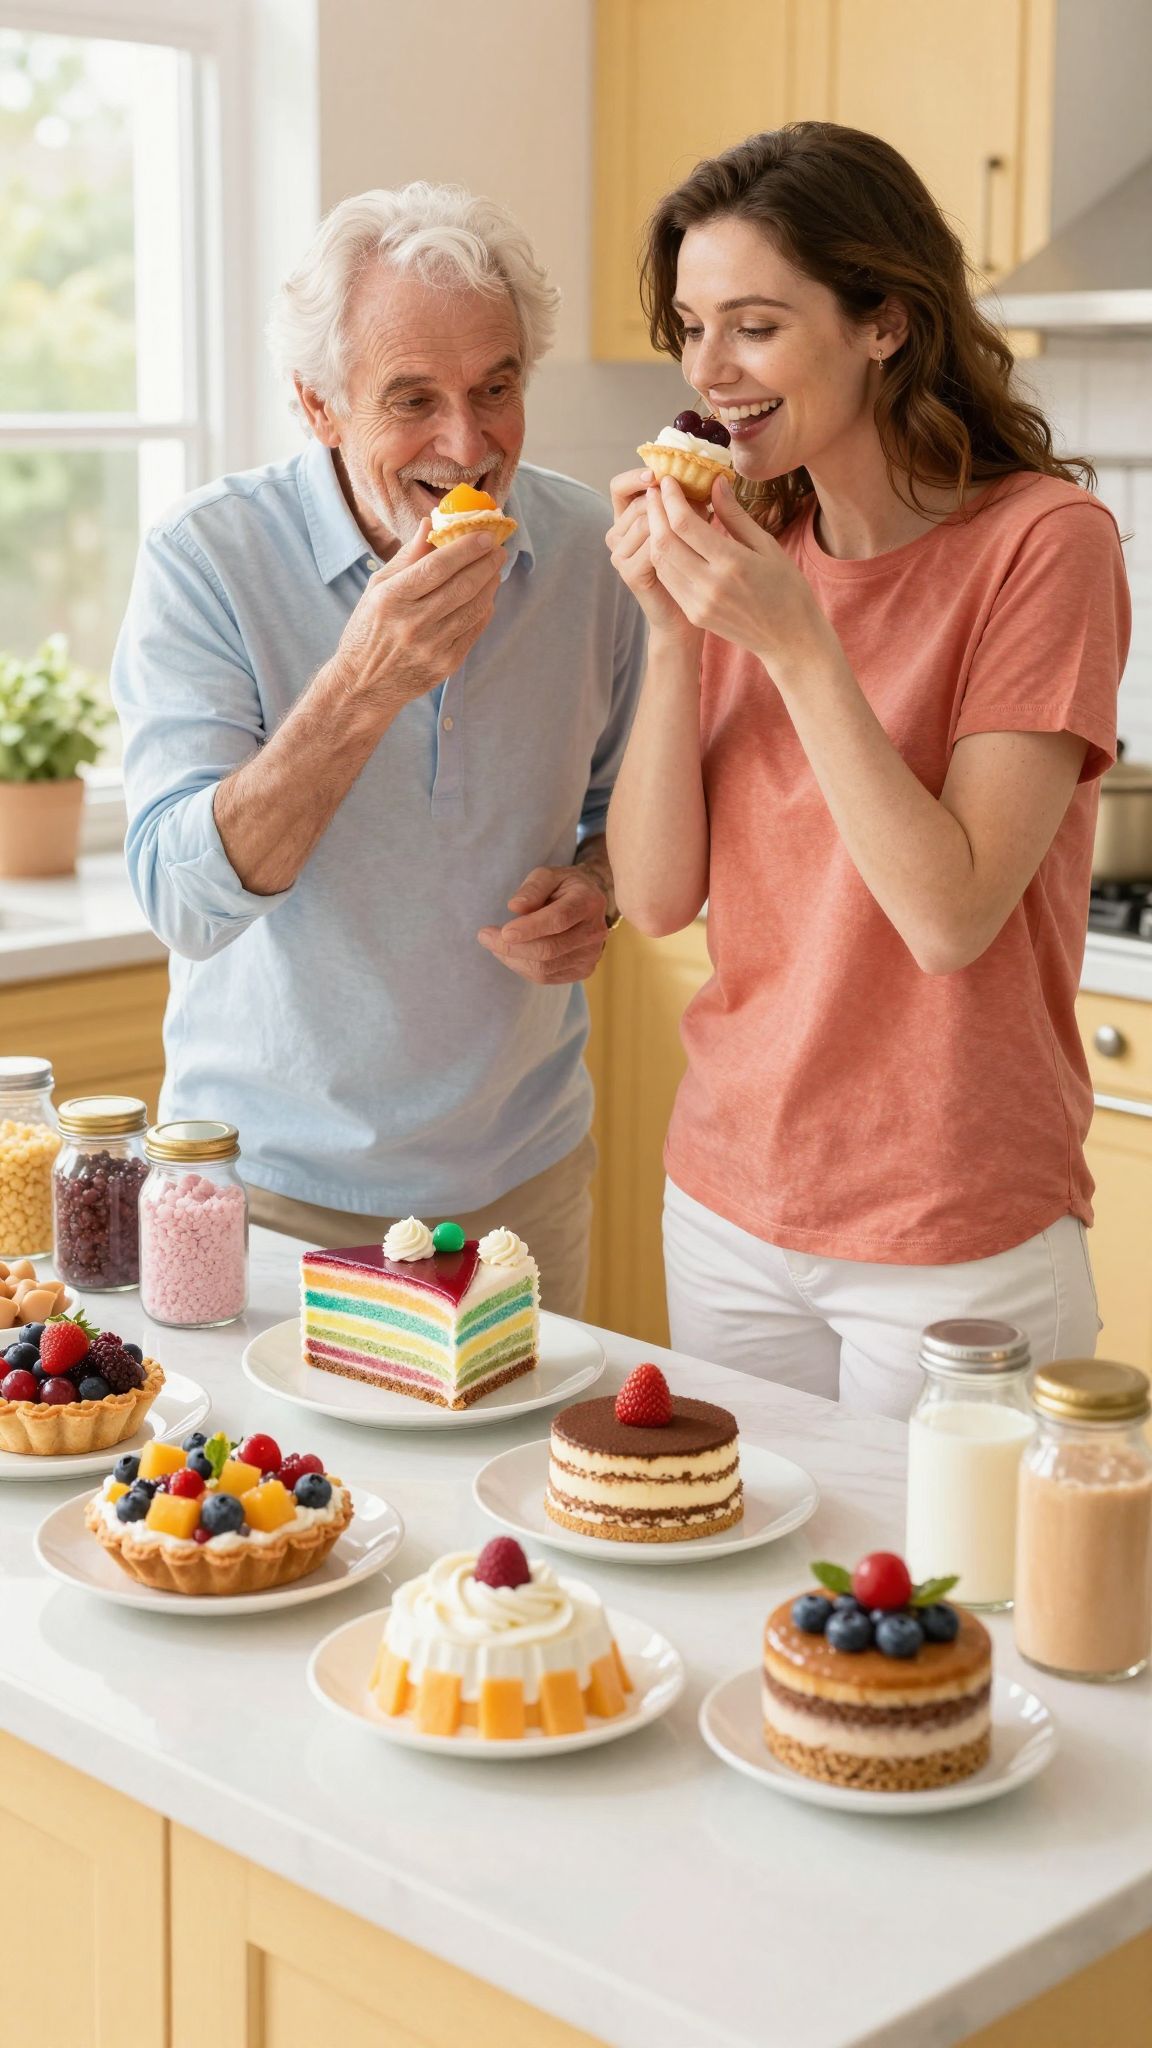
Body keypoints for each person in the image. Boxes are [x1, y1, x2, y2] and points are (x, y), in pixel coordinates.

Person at [605, 123, 1129, 1416]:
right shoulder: (753, 541)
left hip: (951, 1223)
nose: (709, 371)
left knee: (956, 1614)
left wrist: (794, 642)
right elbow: (659, 896)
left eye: (756, 326)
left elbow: (949, 918)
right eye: (690, 326)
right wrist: (674, 640)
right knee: (744, 1603)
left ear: (885, 322)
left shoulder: (1045, 547)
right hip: (729, 1201)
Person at [113, 183, 645, 1315]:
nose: (468, 443)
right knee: (275, 1497)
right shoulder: (205, 558)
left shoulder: (594, 557)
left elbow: (626, 813)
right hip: (267, 1188)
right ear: (319, 405)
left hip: (524, 1178)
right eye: (413, 400)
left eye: (496, 388)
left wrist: (598, 888)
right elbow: (184, 899)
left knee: (519, 1495)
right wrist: (364, 679)